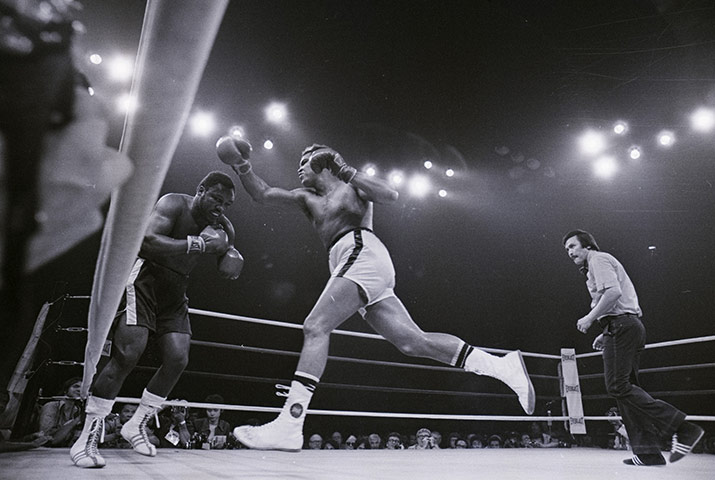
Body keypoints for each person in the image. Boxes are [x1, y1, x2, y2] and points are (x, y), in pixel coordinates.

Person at [216, 138, 535, 452]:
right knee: (413, 342)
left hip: (362, 252)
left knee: (316, 326)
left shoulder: (352, 187)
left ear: (322, 162)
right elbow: (263, 194)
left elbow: (391, 194)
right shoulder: (305, 198)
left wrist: (345, 169)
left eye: (304, 162)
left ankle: (290, 424)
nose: (299, 169)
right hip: (352, 261)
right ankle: (501, 367)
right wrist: (242, 165)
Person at [69, 171, 244, 468]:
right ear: (201, 190)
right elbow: (146, 242)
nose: (220, 208)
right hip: (145, 280)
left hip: (176, 292)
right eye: (216, 199)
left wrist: (232, 258)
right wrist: (196, 244)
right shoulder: (174, 204)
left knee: (177, 358)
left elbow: (226, 258)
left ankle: (137, 423)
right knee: (128, 354)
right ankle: (86, 438)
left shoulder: (223, 225)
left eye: (226, 204)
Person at [563, 230, 704, 466]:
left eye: (573, 246)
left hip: (622, 328)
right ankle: (648, 452)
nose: (569, 252)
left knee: (617, 386)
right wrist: (603, 328)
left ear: (587, 246)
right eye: (566, 249)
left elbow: (614, 293)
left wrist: (589, 318)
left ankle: (682, 427)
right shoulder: (596, 265)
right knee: (626, 391)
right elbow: (619, 301)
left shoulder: (597, 259)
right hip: (624, 326)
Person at [38, 377, 83, 447]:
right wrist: (76, 420)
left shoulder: (77, 410)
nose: (80, 390)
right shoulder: (51, 406)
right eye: (76, 386)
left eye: (83, 388)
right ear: (65, 390)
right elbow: (47, 438)